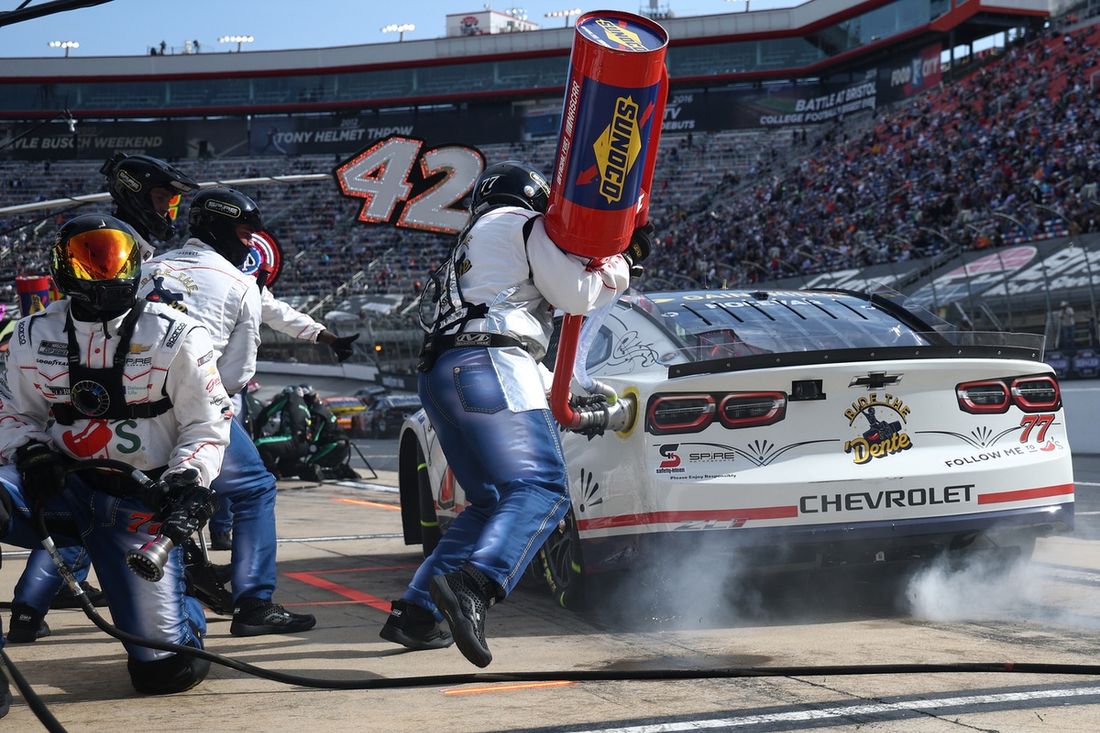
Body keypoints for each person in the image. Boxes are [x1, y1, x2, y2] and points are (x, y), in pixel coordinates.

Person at [379, 161, 647, 666]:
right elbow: (575, 295)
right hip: (488, 361)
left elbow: (514, 321)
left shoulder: (475, 241)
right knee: (542, 488)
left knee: (489, 501)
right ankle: (475, 584)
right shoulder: (520, 221)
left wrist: (574, 387)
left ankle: (416, 612)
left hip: (445, 370)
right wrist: (622, 262)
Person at [0, 214, 231, 694]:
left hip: (137, 503)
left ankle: (183, 596)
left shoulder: (177, 335)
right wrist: (29, 452)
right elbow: (12, 413)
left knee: (163, 674)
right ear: (62, 267)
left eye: (113, 259)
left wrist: (188, 478)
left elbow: (207, 424)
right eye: (89, 260)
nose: (104, 271)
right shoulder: (29, 335)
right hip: (59, 491)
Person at [137, 186, 316, 636]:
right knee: (255, 489)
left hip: (123, 411)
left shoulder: (145, 267)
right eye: (245, 234)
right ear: (222, 229)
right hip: (193, 409)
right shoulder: (240, 284)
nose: (250, 244)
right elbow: (236, 374)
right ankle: (254, 603)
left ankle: (34, 605)